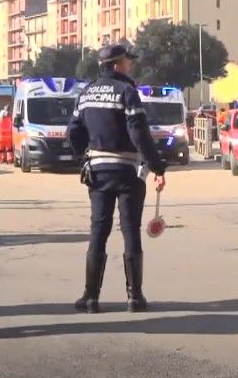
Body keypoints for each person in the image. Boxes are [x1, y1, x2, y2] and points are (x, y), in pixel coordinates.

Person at [67, 44, 167, 314]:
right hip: (127, 172)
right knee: (130, 230)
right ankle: (135, 298)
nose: (130, 65)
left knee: (99, 230)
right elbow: (139, 134)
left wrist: (83, 159)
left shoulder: (86, 93)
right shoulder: (127, 92)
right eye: (127, 61)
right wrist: (157, 166)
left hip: (98, 172)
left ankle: (90, 298)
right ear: (115, 65)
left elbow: (73, 132)